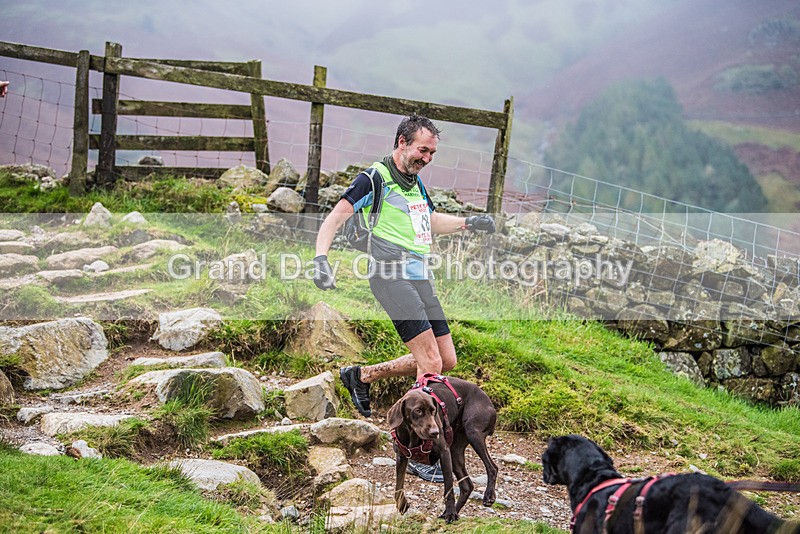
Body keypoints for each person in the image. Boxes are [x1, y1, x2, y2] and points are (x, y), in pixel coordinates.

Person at [313, 115, 496, 419]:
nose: (427, 158)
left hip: (419, 276)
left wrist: (469, 222)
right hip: (390, 276)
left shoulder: (414, 182)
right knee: (430, 363)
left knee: (445, 359)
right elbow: (334, 218)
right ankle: (417, 447)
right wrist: (321, 260)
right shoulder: (373, 178)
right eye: (423, 151)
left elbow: (431, 220)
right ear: (402, 142)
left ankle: (362, 376)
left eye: (432, 154)